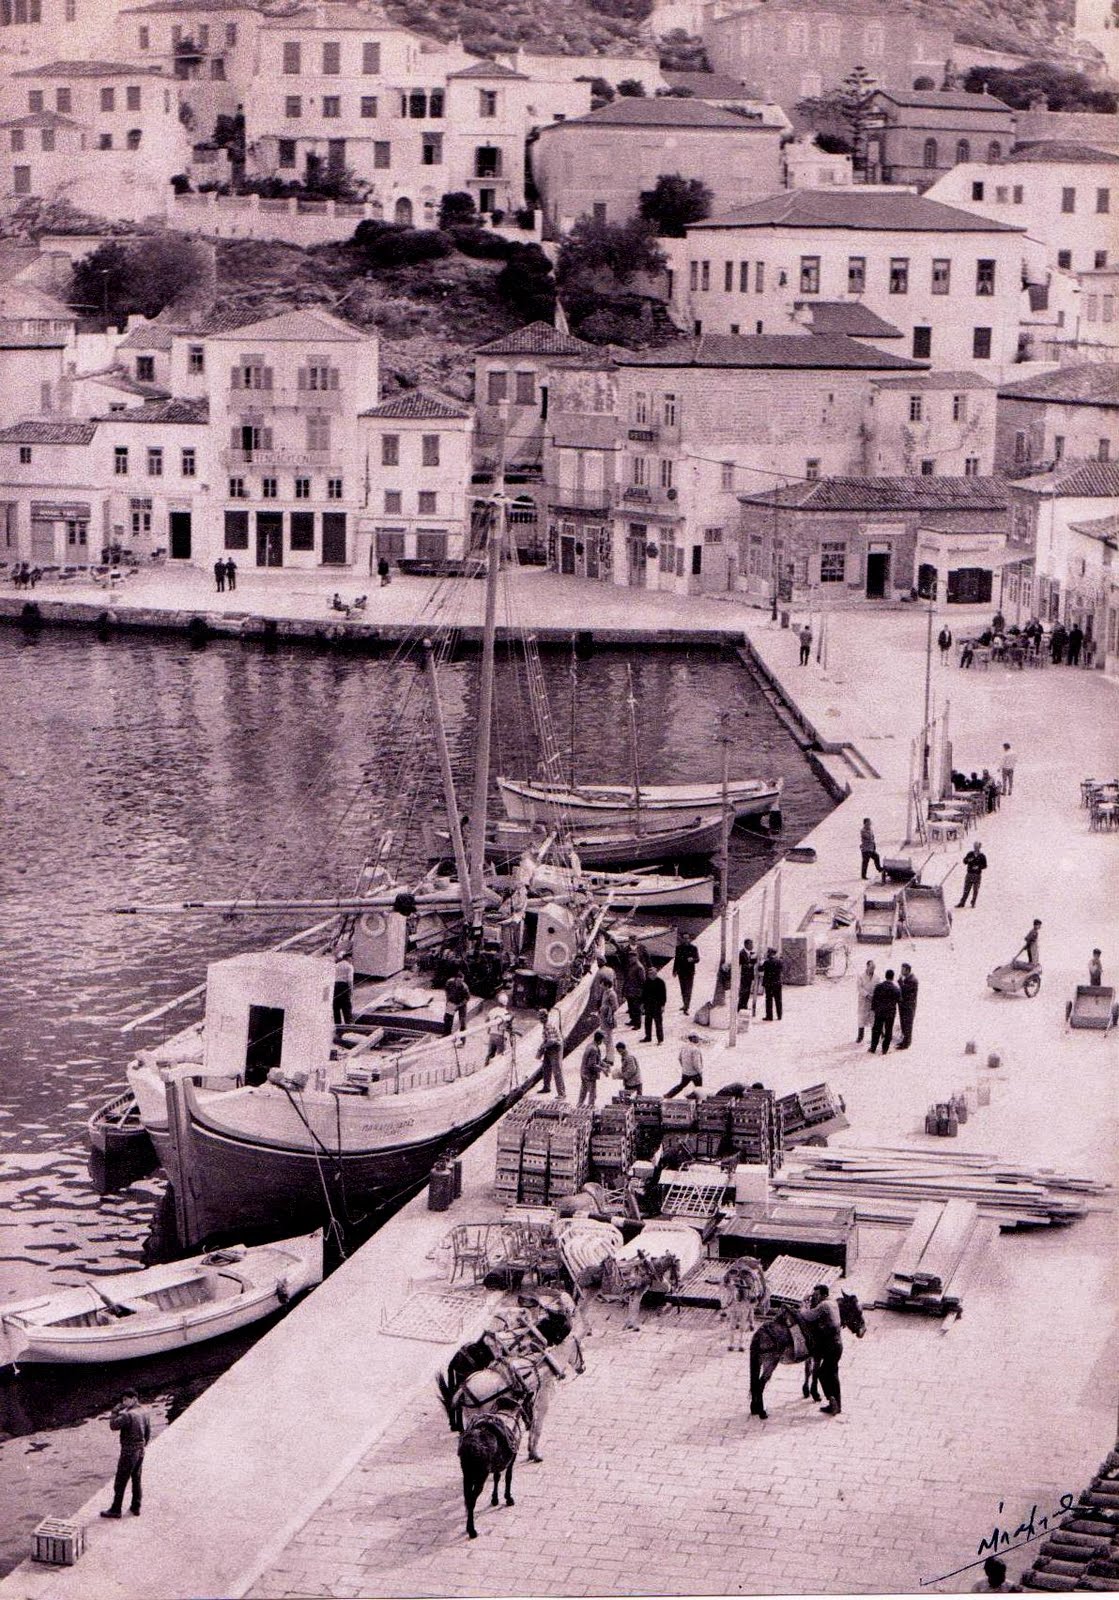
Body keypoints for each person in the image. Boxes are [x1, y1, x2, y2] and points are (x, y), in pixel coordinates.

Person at [101, 1390, 151, 1518]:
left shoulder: (128, 1415)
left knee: (120, 1481)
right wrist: (142, 1446)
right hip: (140, 1450)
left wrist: (114, 1411)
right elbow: (148, 1433)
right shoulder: (144, 1411)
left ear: (133, 1399)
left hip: (129, 1451)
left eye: (125, 1400)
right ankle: (136, 1507)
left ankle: (116, 1509)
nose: (123, 1402)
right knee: (136, 1478)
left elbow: (113, 1426)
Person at [799, 1285, 844, 1415]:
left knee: (822, 1373)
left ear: (823, 1295)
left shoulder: (824, 1305)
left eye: (817, 1295)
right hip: (838, 1345)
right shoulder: (833, 1303)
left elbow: (807, 1316)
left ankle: (831, 1400)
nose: (815, 1297)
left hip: (830, 1346)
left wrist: (804, 1304)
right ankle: (837, 1404)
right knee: (833, 1374)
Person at [869, 968, 901, 1054]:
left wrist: (873, 1009)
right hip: (890, 1014)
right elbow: (900, 1001)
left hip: (879, 1012)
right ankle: (885, 1049)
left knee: (876, 1030)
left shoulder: (878, 987)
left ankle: (873, 1048)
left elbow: (874, 1000)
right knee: (888, 1031)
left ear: (885, 976)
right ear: (893, 977)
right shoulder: (896, 989)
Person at [536, 1007, 565, 1098]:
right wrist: (542, 1046)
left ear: (545, 1018)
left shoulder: (548, 1026)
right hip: (550, 1047)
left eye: (541, 1018)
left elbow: (552, 1041)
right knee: (546, 1068)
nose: (539, 1020)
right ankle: (546, 1087)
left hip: (555, 1048)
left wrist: (542, 1047)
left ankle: (561, 1093)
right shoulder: (545, 1025)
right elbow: (547, 1039)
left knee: (557, 1071)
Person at [665, 1032, 704, 1098]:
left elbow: (679, 1058)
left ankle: (668, 1095)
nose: (698, 1040)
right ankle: (696, 1101)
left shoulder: (684, 1047)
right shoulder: (695, 1049)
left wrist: (685, 1067)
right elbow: (696, 1063)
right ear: (693, 1039)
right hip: (695, 1074)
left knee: (681, 1085)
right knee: (699, 1089)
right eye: (697, 1038)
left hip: (685, 1072)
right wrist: (700, 1071)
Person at [672, 929, 700, 1014]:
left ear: (690, 939)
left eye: (687, 938)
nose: (686, 940)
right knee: (683, 989)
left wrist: (692, 960)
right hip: (681, 971)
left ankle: (686, 1006)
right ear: (682, 939)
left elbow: (698, 959)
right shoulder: (678, 948)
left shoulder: (693, 948)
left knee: (688, 989)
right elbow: (676, 960)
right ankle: (685, 1004)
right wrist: (674, 970)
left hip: (690, 972)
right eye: (684, 938)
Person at [597, 970, 618, 1067]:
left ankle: (610, 1059)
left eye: (601, 984)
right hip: (603, 1019)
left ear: (606, 984)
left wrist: (605, 1009)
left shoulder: (611, 994)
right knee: (606, 1039)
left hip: (608, 1019)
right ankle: (607, 1056)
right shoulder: (606, 992)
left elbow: (615, 1007)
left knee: (609, 1039)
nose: (600, 986)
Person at [956, 842, 988, 908]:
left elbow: (985, 865)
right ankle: (962, 902)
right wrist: (968, 860)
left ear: (979, 847)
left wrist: (978, 867)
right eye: (975, 846)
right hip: (969, 874)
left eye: (977, 846)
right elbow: (964, 861)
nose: (976, 848)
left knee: (975, 890)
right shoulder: (970, 854)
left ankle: (973, 902)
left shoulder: (982, 856)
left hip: (977, 875)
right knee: (966, 889)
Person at [578, 1031, 605, 1108]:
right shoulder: (594, 1049)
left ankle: (579, 1107)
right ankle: (590, 1110)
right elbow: (592, 1065)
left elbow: (597, 1060)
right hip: (589, 1075)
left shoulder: (590, 1045)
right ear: (600, 1040)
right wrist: (603, 1069)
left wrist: (604, 1064)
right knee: (592, 1094)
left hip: (583, 1073)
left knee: (583, 1092)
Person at [484, 994, 514, 1063]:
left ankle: (486, 1066)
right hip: (500, 1036)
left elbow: (486, 1021)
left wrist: (490, 1028)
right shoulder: (506, 1013)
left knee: (490, 1054)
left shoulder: (492, 1010)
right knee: (500, 1055)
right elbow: (508, 1027)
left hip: (492, 1035)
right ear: (506, 1003)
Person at [641, 966, 666, 1045]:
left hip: (657, 1005)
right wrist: (642, 1004)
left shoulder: (661, 982)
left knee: (658, 1023)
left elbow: (663, 995)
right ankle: (648, 1037)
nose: (649, 975)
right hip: (648, 1005)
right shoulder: (647, 982)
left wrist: (663, 1005)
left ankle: (660, 1039)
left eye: (651, 974)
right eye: (649, 974)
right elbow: (644, 994)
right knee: (647, 1022)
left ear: (655, 974)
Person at [621, 948, 645, 1031]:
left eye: (632, 957)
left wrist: (641, 993)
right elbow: (627, 978)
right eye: (629, 957)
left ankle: (637, 1024)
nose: (630, 959)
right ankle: (633, 1020)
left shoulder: (639, 967)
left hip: (636, 992)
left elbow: (642, 981)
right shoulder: (631, 966)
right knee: (631, 1007)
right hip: (630, 990)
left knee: (636, 1008)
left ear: (636, 957)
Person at [897, 962, 918, 1050]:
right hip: (904, 1006)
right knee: (904, 1024)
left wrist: (900, 982)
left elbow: (906, 991)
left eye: (903, 969)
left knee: (908, 1025)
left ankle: (906, 1043)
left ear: (907, 970)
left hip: (909, 1007)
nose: (901, 971)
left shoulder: (912, 980)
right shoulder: (908, 979)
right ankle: (904, 1041)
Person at [332, 944, 355, 1025]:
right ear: (348, 958)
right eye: (351, 958)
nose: (352, 960)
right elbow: (350, 980)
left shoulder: (336, 965)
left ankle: (337, 1025)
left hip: (334, 986)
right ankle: (348, 1025)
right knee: (346, 1007)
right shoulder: (349, 966)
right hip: (343, 986)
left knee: (336, 1008)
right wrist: (351, 991)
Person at [443, 968, 470, 1035]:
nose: (459, 983)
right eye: (458, 981)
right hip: (452, 1002)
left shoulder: (465, 987)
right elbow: (446, 990)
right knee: (447, 1018)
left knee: (462, 1022)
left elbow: (467, 999)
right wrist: (448, 1000)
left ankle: (462, 1039)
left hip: (461, 1004)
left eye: (461, 981)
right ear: (455, 979)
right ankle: (447, 1034)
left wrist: (459, 1005)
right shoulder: (449, 982)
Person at [856, 959, 876, 1045]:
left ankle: (873, 1037)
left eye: (874, 968)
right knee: (861, 1018)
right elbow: (859, 988)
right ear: (867, 966)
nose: (872, 969)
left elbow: (878, 988)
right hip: (863, 1000)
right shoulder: (861, 976)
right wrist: (867, 995)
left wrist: (874, 996)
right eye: (871, 967)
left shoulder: (877, 977)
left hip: (872, 1001)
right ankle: (860, 1036)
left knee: (872, 1019)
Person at [761, 946, 783, 1021]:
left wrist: (761, 962)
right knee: (778, 1000)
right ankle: (779, 1016)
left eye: (768, 952)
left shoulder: (767, 962)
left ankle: (769, 1016)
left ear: (770, 953)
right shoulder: (780, 961)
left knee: (769, 1000)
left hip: (769, 983)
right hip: (777, 983)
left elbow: (760, 969)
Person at [737, 938, 757, 1013]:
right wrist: (750, 964)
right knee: (743, 992)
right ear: (746, 945)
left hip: (749, 976)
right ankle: (740, 1007)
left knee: (747, 992)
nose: (752, 946)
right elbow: (742, 964)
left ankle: (744, 1006)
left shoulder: (750, 953)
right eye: (751, 944)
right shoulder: (742, 953)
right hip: (744, 976)